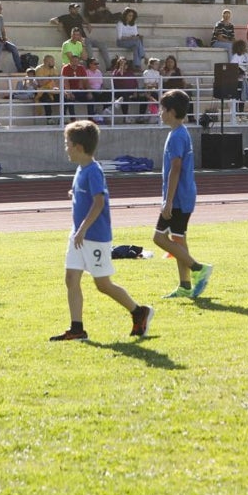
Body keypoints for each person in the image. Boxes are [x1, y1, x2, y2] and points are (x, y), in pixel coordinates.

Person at [50, 120, 153, 340]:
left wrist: (83, 230)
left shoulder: (93, 171)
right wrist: (75, 194)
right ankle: (77, 329)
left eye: (67, 144)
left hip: (93, 237)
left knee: (103, 284)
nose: (65, 148)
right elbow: (88, 196)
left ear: (78, 147)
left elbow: (99, 202)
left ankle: (139, 311)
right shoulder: (81, 169)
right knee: (71, 279)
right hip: (78, 235)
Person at [153, 90, 213, 300]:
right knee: (178, 240)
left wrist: (168, 201)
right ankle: (185, 286)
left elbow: (175, 168)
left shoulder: (177, 135)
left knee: (159, 238)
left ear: (171, 111)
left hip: (178, 198)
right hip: (184, 195)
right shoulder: (180, 132)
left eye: (163, 109)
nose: (160, 113)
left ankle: (198, 268)